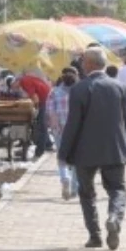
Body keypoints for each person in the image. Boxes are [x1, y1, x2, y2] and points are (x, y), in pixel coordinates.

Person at [57, 47, 126, 251]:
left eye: (82, 61)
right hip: (114, 148)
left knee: (87, 193)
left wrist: (63, 153)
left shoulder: (79, 89)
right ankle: (114, 217)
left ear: (88, 64)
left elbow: (73, 124)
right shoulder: (120, 87)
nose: (81, 64)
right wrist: (125, 147)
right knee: (117, 189)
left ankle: (95, 235)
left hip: (84, 151)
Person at [45, 68, 80, 200]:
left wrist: (55, 125)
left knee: (62, 157)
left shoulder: (54, 92)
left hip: (59, 129)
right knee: (77, 159)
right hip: (76, 130)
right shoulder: (79, 93)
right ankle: (75, 187)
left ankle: (64, 178)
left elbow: (49, 110)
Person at [17, 70, 53, 158]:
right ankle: (45, 145)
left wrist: (34, 109)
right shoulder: (26, 79)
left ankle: (40, 151)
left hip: (44, 100)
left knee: (41, 125)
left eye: (13, 86)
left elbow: (34, 98)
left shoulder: (25, 81)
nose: (14, 88)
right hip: (44, 98)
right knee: (41, 125)